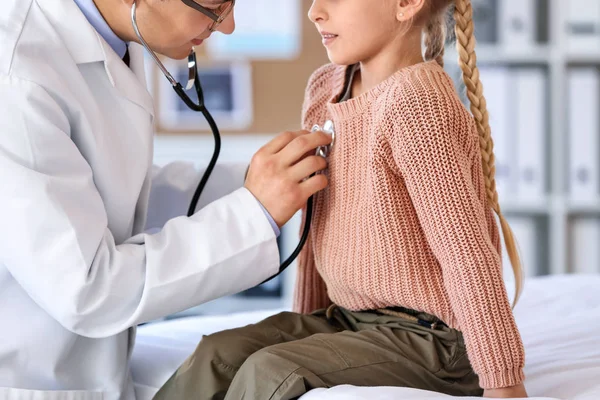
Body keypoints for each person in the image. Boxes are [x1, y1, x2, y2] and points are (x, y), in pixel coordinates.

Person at [152, 0, 530, 399]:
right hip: (350, 321)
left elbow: (466, 253)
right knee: (217, 354)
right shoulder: (326, 88)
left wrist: (504, 383)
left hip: (437, 341)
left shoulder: (418, 103)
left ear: (405, 5)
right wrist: (305, 326)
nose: (315, 12)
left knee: (272, 370)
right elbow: (318, 225)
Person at [0, 0, 332, 398]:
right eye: (214, 6)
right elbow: (88, 289)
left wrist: (253, 183)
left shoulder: (114, 36)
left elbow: (111, 194)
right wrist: (253, 212)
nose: (227, 27)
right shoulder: (16, 72)